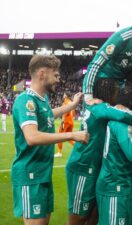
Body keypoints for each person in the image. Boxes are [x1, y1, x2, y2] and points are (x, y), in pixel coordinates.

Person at [11, 55, 89, 225]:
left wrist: (72, 105)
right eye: (56, 75)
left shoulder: (42, 99)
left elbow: (48, 116)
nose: (58, 80)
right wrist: (71, 135)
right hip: (30, 175)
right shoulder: (26, 100)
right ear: (42, 74)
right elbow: (32, 137)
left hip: (42, 174)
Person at [65, 78, 132, 225]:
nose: (117, 97)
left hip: (93, 167)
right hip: (83, 167)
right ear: (109, 94)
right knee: (78, 217)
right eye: (116, 92)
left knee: (93, 214)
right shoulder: (100, 108)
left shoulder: (94, 105)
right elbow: (122, 114)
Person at [83, 8, 132, 102]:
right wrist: (88, 96)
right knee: (101, 112)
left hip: (121, 81)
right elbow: (95, 64)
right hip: (103, 80)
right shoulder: (121, 39)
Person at [55, 92, 75, 157]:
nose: (63, 95)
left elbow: (65, 112)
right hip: (71, 122)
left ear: (66, 96)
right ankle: (78, 147)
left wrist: (62, 121)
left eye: (64, 94)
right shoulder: (72, 102)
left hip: (66, 122)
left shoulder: (65, 102)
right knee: (69, 138)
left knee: (59, 136)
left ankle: (59, 153)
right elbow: (73, 113)